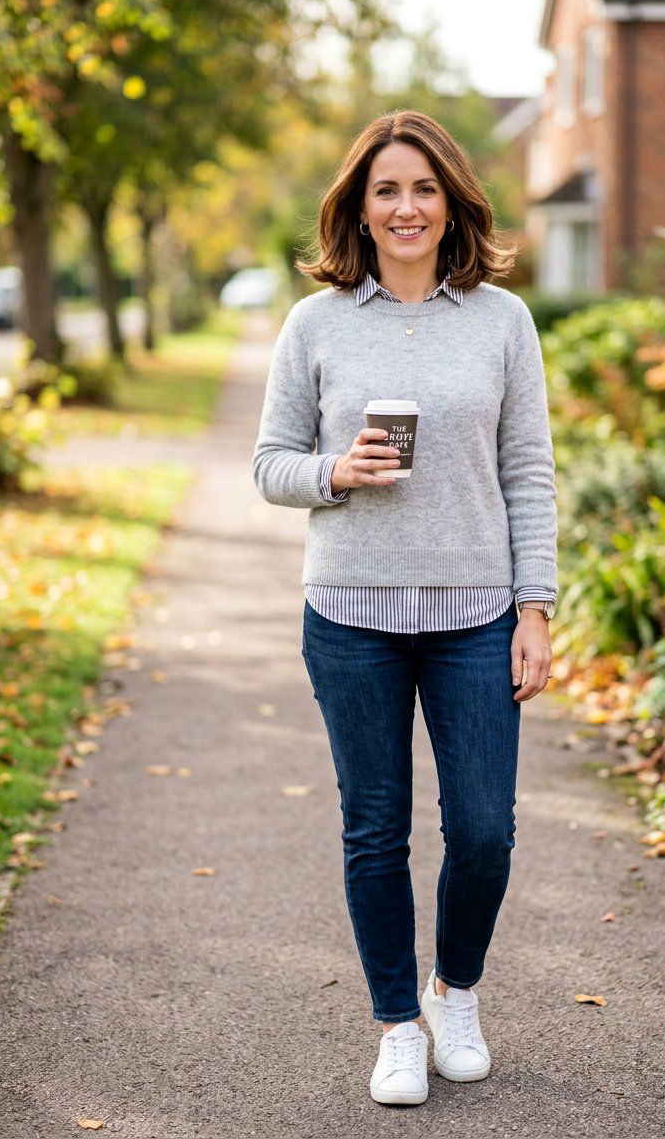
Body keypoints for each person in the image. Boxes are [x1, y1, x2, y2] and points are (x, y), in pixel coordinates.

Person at [252, 109, 558, 1106]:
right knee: (374, 826)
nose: (405, 206)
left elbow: (528, 474)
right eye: (385, 189)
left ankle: (452, 989)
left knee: (483, 830)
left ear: (451, 198)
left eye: (422, 187)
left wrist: (533, 606)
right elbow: (268, 465)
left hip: (474, 615)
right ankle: (395, 1023)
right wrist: (334, 470)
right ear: (359, 206)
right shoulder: (317, 324)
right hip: (348, 614)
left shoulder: (502, 322)